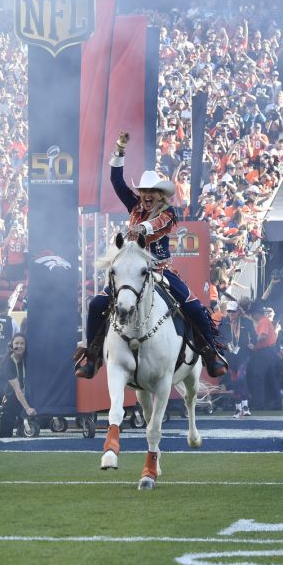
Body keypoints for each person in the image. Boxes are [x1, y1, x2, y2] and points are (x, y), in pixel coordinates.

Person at [75, 131, 228, 379]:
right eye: (144, 190)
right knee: (96, 305)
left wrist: (141, 228)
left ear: (160, 194)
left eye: (152, 191)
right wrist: (120, 149)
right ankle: (92, 356)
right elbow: (116, 181)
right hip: (130, 270)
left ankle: (211, 354)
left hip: (160, 270)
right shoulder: (134, 205)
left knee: (196, 308)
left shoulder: (169, 212)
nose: (147, 194)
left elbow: (156, 226)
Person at [0, 334, 37, 437]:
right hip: (13, 397)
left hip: (29, 395)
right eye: (17, 343)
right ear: (12, 345)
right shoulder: (8, 363)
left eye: (22, 343)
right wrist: (27, 409)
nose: (20, 346)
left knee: (42, 421)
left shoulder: (29, 359)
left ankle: (20, 422)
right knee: (4, 433)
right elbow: (17, 389)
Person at [221, 302, 253, 417]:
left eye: (232, 311)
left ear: (239, 311)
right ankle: (239, 408)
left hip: (243, 354)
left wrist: (253, 344)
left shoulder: (246, 322)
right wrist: (226, 345)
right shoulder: (224, 322)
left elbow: (253, 335)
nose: (230, 314)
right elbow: (219, 337)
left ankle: (245, 405)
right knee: (234, 381)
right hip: (230, 355)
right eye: (228, 311)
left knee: (240, 378)